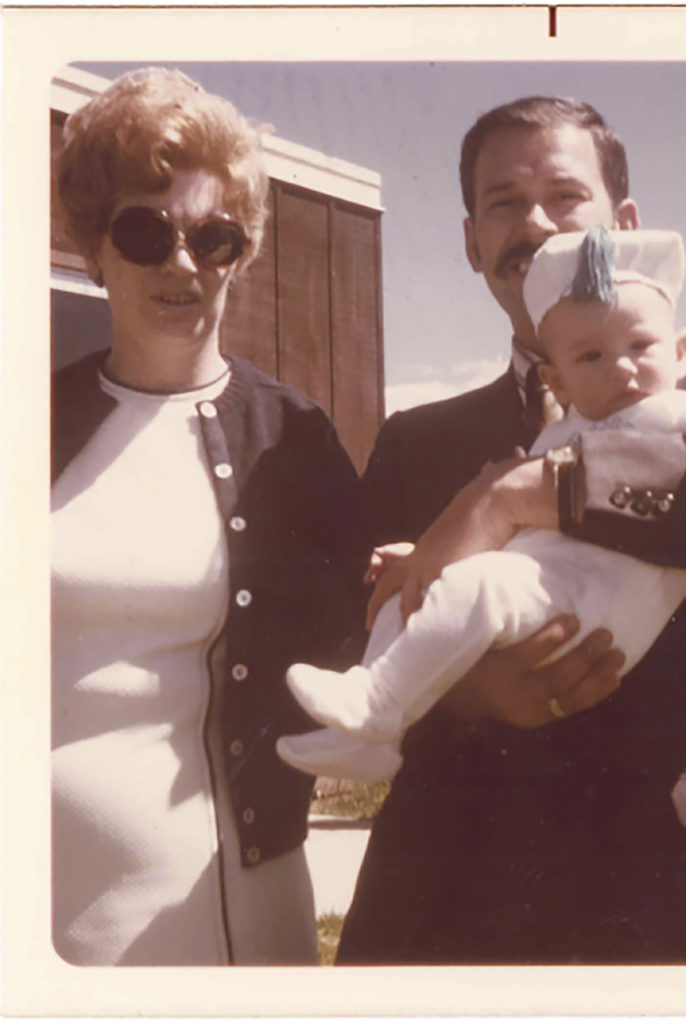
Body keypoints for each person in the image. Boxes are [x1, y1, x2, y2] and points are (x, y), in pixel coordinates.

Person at [336, 95, 686, 964]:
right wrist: (465, 691)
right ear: (472, 245)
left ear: (626, 222)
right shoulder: (418, 440)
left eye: (565, 197)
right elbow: (365, 634)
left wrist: (524, 494)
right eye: (503, 203)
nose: (533, 223)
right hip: (466, 893)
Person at [277, 226, 686, 784]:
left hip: (596, 606)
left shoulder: (675, 409)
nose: (622, 368)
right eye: (592, 356)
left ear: (681, 352)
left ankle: (380, 700)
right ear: (558, 378)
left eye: (641, 347)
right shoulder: (565, 432)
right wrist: (427, 556)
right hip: (550, 585)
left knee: (473, 587)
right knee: (414, 589)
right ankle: (373, 740)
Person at [50, 67, 371, 965]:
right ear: (95, 246)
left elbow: (371, 644)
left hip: (235, 917)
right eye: (146, 231)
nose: (181, 263)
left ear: (244, 253)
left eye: (215, 238)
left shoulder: (294, 441)